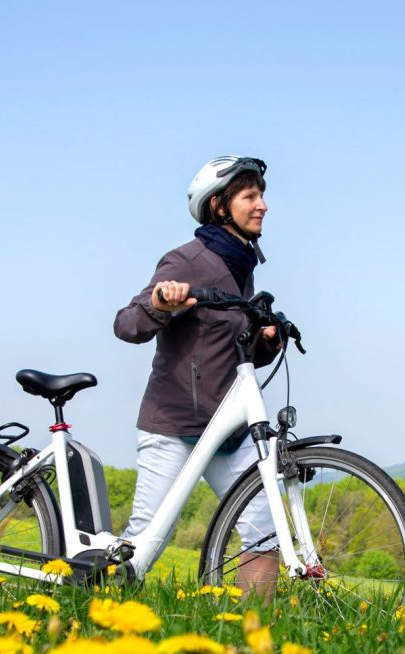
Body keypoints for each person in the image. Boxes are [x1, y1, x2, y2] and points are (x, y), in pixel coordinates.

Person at [113, 156, 280, 595]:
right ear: (221, 207)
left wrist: (265, 340)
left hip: (226, 429)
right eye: (250, 196)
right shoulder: (187, 260)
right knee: (145, 544)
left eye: (261, 195)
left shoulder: (241, 269)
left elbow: (230, 352)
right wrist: (161, 304)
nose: (262, 205)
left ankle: (253, 643)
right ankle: (94, 607)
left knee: (264, 531)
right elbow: (127, 324)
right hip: (175, 426)